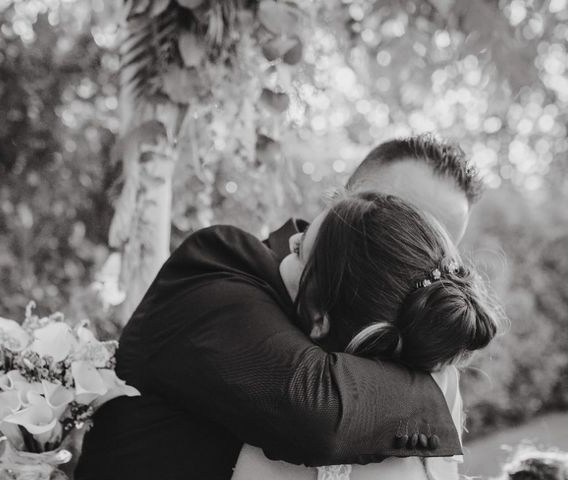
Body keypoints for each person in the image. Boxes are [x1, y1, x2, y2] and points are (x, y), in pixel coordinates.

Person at [74, 134, 485, 479]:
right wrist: (435, 387)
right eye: (398, 221)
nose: (410, 249)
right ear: (350, 196)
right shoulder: (224, 264)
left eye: (430, 246)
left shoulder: (401, 355)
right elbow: (314, 409)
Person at [231, 192, 502, 479]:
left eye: (300, 253)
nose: (290, 240)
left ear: (320, 318)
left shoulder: (281, 446)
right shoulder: (441, 399)